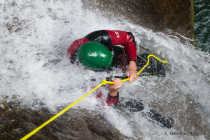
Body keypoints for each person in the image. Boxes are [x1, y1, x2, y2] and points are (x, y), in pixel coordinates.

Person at [67, 30, 165, 107]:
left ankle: (162, 72)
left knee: (148, 64)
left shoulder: (100, 37)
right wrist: (113, 92)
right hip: (101, 73)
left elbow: (128, 37)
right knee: (116, 97)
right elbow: (104, 106)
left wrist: (132, 63)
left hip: (117, 55)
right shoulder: (83, 75)